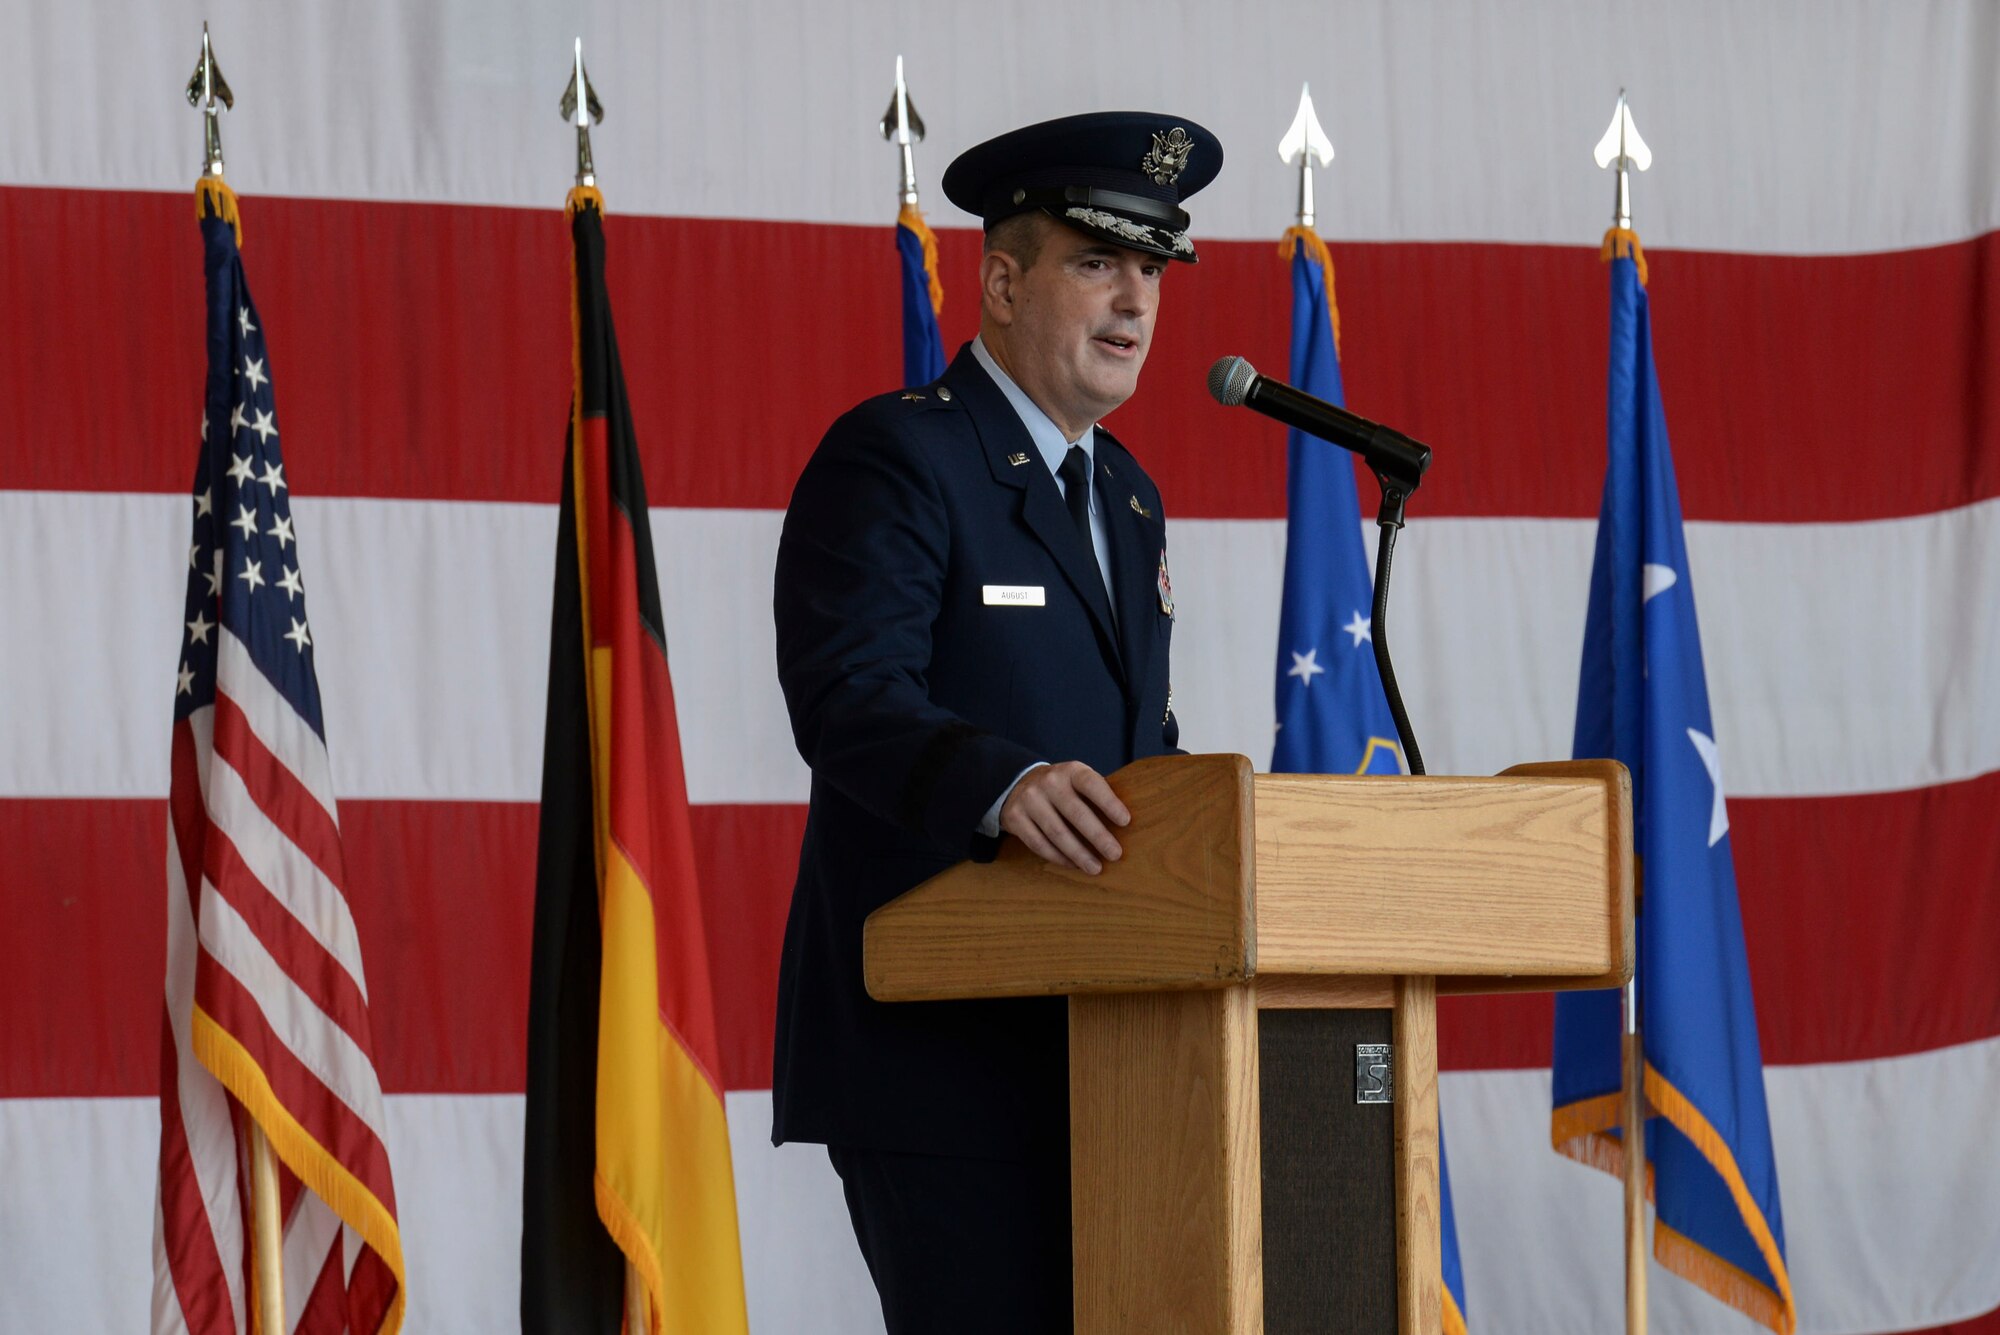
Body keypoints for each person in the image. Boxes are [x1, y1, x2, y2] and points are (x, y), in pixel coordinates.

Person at [771, 111, 1223, 1333]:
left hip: (1118, 1061)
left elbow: (1141, 752)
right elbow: (847, 695)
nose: (1133, 301)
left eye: (1152, 270)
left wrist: (1221, 838)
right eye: (1095, 263)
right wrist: (1003, 782)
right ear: (1004, 279)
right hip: (944, 1063)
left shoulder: (1125, 495)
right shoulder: (897, 457)